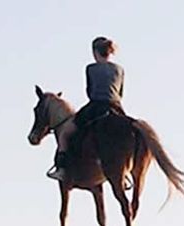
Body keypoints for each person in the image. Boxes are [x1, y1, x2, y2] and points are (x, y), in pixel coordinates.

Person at [48, 36, 126, 181]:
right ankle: (125, 174)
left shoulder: (91, 68)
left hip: (96, 106)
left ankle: (61, 169)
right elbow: (120, 93)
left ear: (95, 52)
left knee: (65, 133)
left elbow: (90, 92)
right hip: (116, 108)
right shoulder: (119, 69)